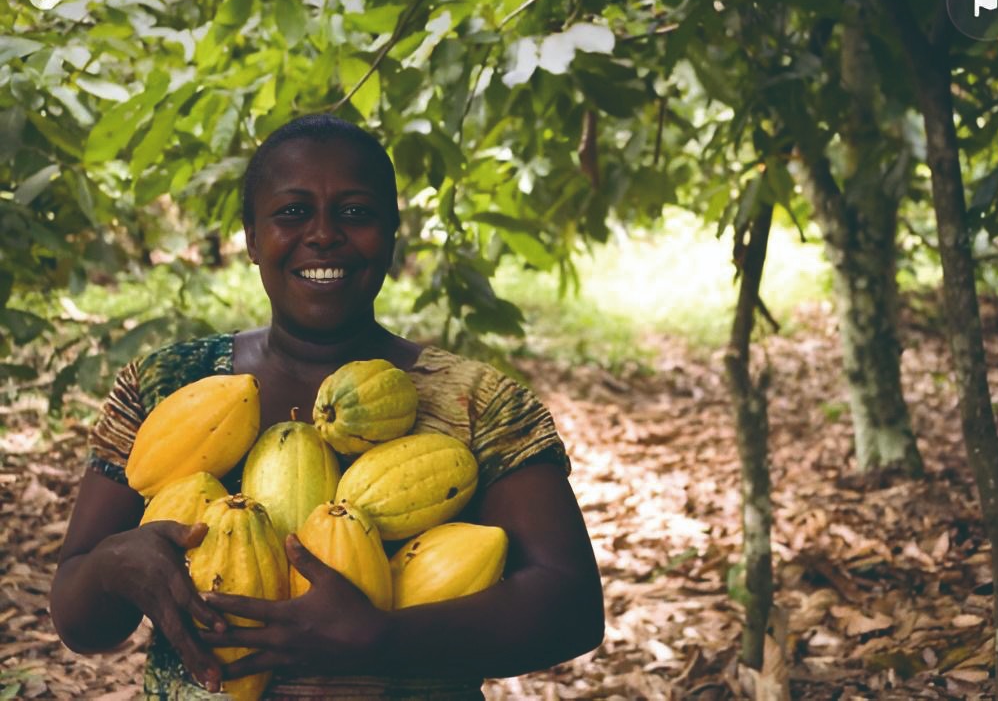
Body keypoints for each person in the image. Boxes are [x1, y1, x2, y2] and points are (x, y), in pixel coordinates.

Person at [49, 114, 605, 699]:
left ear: (392, 234)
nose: (322, 234)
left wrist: (383, 637)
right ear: (251, 238)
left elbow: (570, 608)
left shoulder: (479, 403)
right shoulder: (165, 385)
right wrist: (114, 568)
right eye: (292, 212)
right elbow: (79, 622)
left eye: (355, 212)